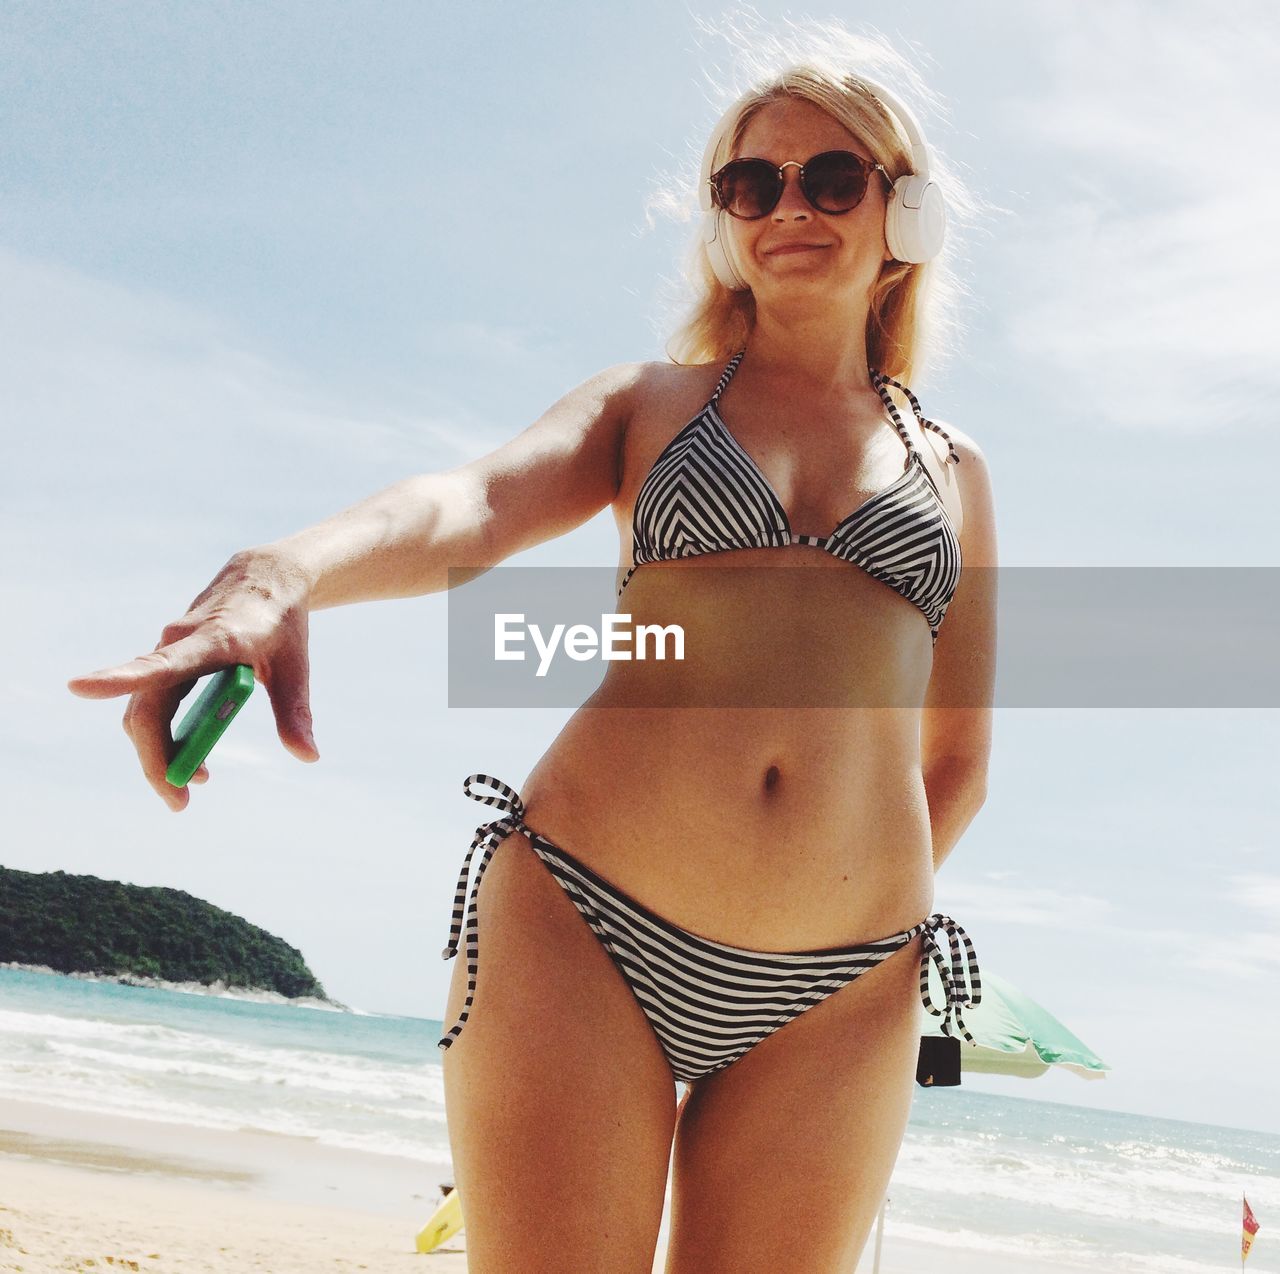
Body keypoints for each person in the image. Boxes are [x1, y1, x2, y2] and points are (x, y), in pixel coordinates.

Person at [69, 43, 997, 1274]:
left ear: (904, 207)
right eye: (748, 183)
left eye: (830, 177)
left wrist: (842, 894)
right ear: (721, 217)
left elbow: (957, 757)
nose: (786, 207)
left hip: (839, 993)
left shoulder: (956, 472)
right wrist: (281, 572)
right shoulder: (650, 405)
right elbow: (471, 502)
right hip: (583, 926)